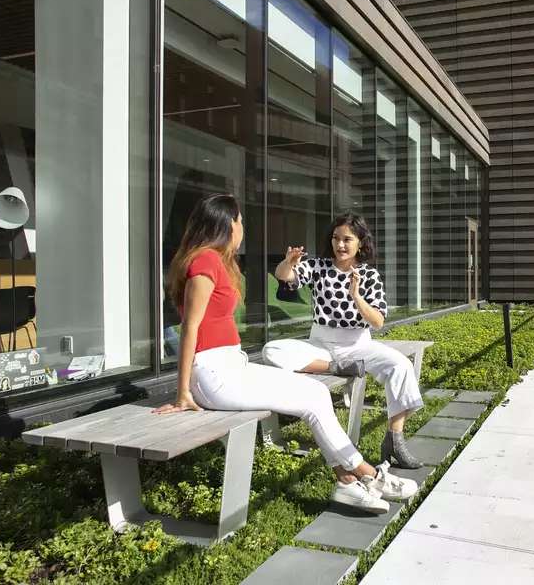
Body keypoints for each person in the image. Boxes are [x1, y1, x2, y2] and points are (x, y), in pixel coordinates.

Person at [153, 194, 416, 514]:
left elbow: (377, 318)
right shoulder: (206, 261)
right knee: (311, 399)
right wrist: (183, 393)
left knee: (316, 393)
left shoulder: (217, 261)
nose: (242, 227)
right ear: (226, 224)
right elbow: (190, 329)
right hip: (213, 375)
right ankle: (367, 474)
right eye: (239, 221)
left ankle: (347, 482)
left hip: (231, 365)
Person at [262, 212, 424, 469]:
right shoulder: (318, 267)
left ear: (360, 242)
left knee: (401, 366)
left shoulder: (369, 276)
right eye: (336, 238)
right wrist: (288, 263)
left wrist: (356, 296)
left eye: (347, 239)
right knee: (272, 349)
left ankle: (395, 439)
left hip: (359, 345)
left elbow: (378, 321)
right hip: (321, 346)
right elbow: (285, 277)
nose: (340, 245)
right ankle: (334, 369)